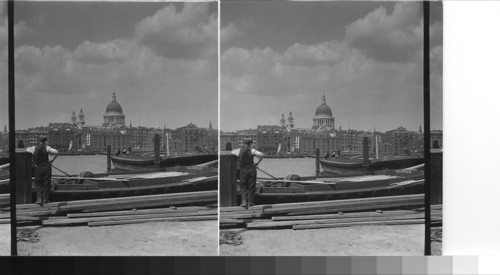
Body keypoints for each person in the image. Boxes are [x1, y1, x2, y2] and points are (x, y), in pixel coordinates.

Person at [231, 138, 263, 208]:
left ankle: (244, 201)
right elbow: (261, 155)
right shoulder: (252, 150)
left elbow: (232, 153)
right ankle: (251, 202)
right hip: (252, 169)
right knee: (251, 186)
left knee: (243, 185)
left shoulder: (238, 150)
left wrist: (238, 162)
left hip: (243, 169)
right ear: (250, 144)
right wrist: (257, 163)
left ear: (243, 143)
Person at [26, 136, 58, 205]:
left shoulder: (33, 148)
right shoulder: (47, 148)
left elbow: (27, 151)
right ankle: (46, 200)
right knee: (46, 183)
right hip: (47, 167)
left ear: (38, 141)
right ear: (44, 141)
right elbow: (56, 152)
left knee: (38, 183)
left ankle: (39, 198)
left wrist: (32, 161)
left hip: (38, 167)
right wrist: (52, 160)